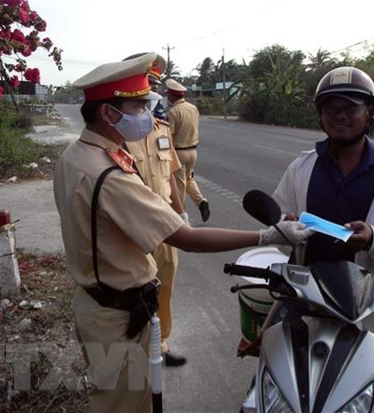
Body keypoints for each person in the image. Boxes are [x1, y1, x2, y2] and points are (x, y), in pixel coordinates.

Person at [53, 53, 313, 413]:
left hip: (98, 303)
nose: (147, 113)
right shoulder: (109, 176)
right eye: (139, 106)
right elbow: (186, 239)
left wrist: (178, 205)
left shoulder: (74, 156)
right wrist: (267, 237)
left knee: (123, 395)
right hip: (117, 317)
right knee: (123, 404)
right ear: (108, 113)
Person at [272, 66, 374, 413]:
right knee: (265, 395)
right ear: (320, 115)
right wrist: (287, 226)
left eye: (351, 107)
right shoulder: (301, 168)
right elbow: (278, 223)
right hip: (307, 302)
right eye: (331, 108)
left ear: (370, 112)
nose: (340, 115)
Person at [123, 53, 188, 367]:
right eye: (143, 89)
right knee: (135, 290)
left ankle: (159, 343)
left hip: (166, 226)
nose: (149, 96)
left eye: (152, 89)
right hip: (132, 230)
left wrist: (181, 211)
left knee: (165, 285)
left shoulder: (162, 129)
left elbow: (171, 174)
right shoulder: (118, 135)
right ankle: (135, 348)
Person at [164, 78, 211, 222]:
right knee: (189, 179)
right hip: (193, 151)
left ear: (171, 96)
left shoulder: (172, 112)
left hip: (178, 152)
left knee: (179, 186)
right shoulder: (193, 108)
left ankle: (181, 218)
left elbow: (168, 136)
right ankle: (201, 201)